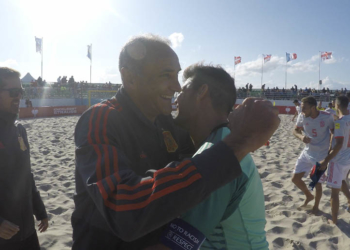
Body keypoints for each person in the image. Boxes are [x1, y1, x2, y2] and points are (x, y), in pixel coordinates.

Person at [72, 35, 280, 250]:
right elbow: (123, 210)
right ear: (130, 77)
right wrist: (238, 143)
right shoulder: (101, 119)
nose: (177, 87)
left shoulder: (167, 125)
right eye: (166, 75)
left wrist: (240, 135)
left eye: (178, 76)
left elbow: (204, 164)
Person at [157, 64, 268, 249]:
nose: (177, 97)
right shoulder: (223, 142)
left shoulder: (217, 152)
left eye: (183, 90)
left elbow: (176, 245)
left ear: (202, 91)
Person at [0, 67, 48, 250]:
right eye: (13, 92)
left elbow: (26, 176)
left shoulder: (19, 130)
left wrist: (40, 210)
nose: (18, 96)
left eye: (20, 91)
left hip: (27, 230)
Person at [292, 96, 334, 214]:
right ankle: (309, 196)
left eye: (304, 108)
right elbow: (295, 130)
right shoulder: (302, 116)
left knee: (317, 182)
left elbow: (334, 132)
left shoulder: (326, 117)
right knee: (295, 179)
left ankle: (316, 207)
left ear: (313, 107)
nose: (302, 110)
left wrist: (331, 148)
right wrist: (301, 137)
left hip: (320, 154)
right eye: (301, 107)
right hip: (307, 151)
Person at [319, 96, 350, 224]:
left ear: (336, 105)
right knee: (343, 182)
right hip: (348, 159)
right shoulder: (343, 120)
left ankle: (334, 220)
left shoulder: (340, 122)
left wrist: (326, 160)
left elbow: (338, 144)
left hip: (338, 160)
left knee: (334, 193)